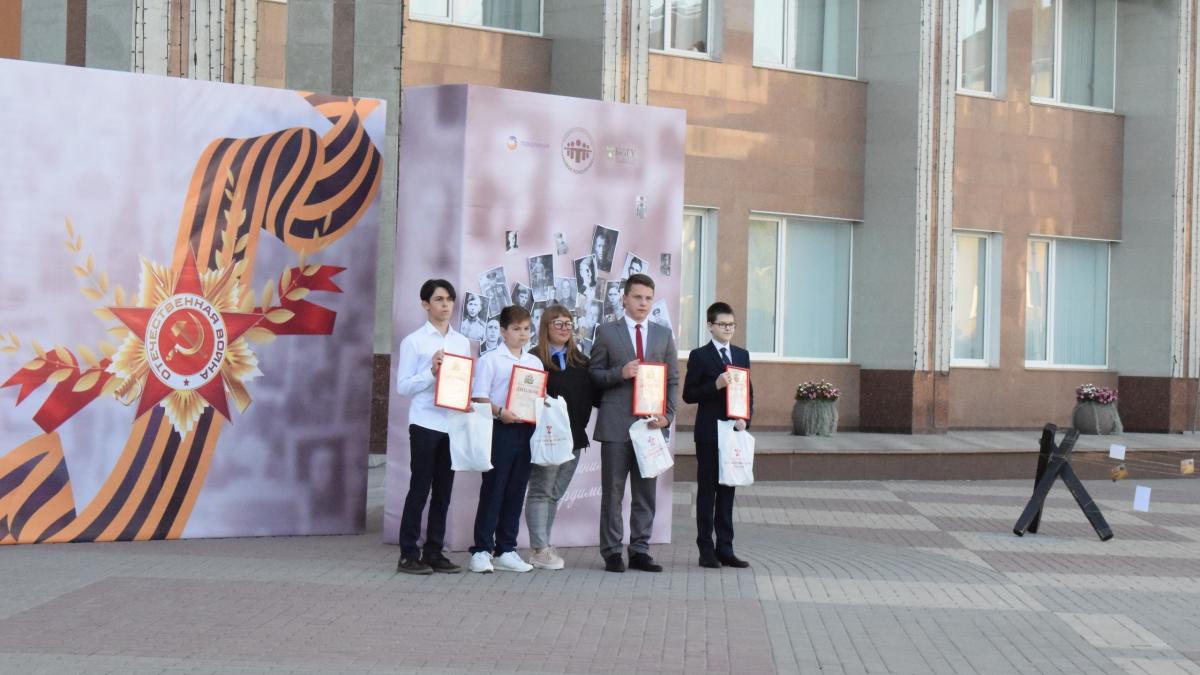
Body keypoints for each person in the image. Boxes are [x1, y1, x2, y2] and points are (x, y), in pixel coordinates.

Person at [589, 273, 678, 573]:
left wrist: (668, 415)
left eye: (648, 298)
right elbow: (594, 375)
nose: (643, 303)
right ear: (624, 299)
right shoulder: (606, 332)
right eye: (638, 297)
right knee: (613, 493)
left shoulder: (663, 335)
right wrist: (620, 373)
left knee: (645, 493)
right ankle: (612, 552)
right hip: (616, 426)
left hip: (651, 426)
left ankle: (640, 550)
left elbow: (672, 379)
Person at [394, 279, 471, 575]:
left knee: (443, 492)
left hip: (452, 423)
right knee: (420, 488)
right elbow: (403, 386)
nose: (446, 304)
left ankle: (434, 551)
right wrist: (430, 371)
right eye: (439, 299)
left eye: (449, 299)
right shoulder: (414, 341)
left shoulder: (461, 342)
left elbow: (463, 380)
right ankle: (408, 553)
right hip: (425, 422)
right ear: (425, 304)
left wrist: (466, 400)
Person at [468, 305, 543, 573]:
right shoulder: (490, 360)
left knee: (516, 490)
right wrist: (500, 412)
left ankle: (506, 549)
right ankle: (481, 550)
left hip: (526, 430)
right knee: (494, 489)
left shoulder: (534, 362)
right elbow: (479, 398)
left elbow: (537, 396)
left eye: (527, 329)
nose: (522, 334)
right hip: (499, 429)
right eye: (516, 329)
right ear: (502, 331)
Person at [524, 306, 596, 570]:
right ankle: (540, 548)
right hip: (546, 438)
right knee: (541, 491)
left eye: (568, 323)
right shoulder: (533, 360)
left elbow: (594, 397)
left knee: (554, 494)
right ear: (545, 327)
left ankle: (542, 546)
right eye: (558, 323)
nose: (565, 328)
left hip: (574, 438)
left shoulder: (582, 361)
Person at [682, 302, 752, 569]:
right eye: (723, 324)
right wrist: (715, 385)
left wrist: (746, 419)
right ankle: (706, 550)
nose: (728, 329)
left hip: (733, 432)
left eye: (732, 324)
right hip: (709, 434)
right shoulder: (699, 356)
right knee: (707, 492)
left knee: (727, 492)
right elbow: (689, 394)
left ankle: (726, 548)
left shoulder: (741, 355)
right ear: (710, 326)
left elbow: (749, 392)